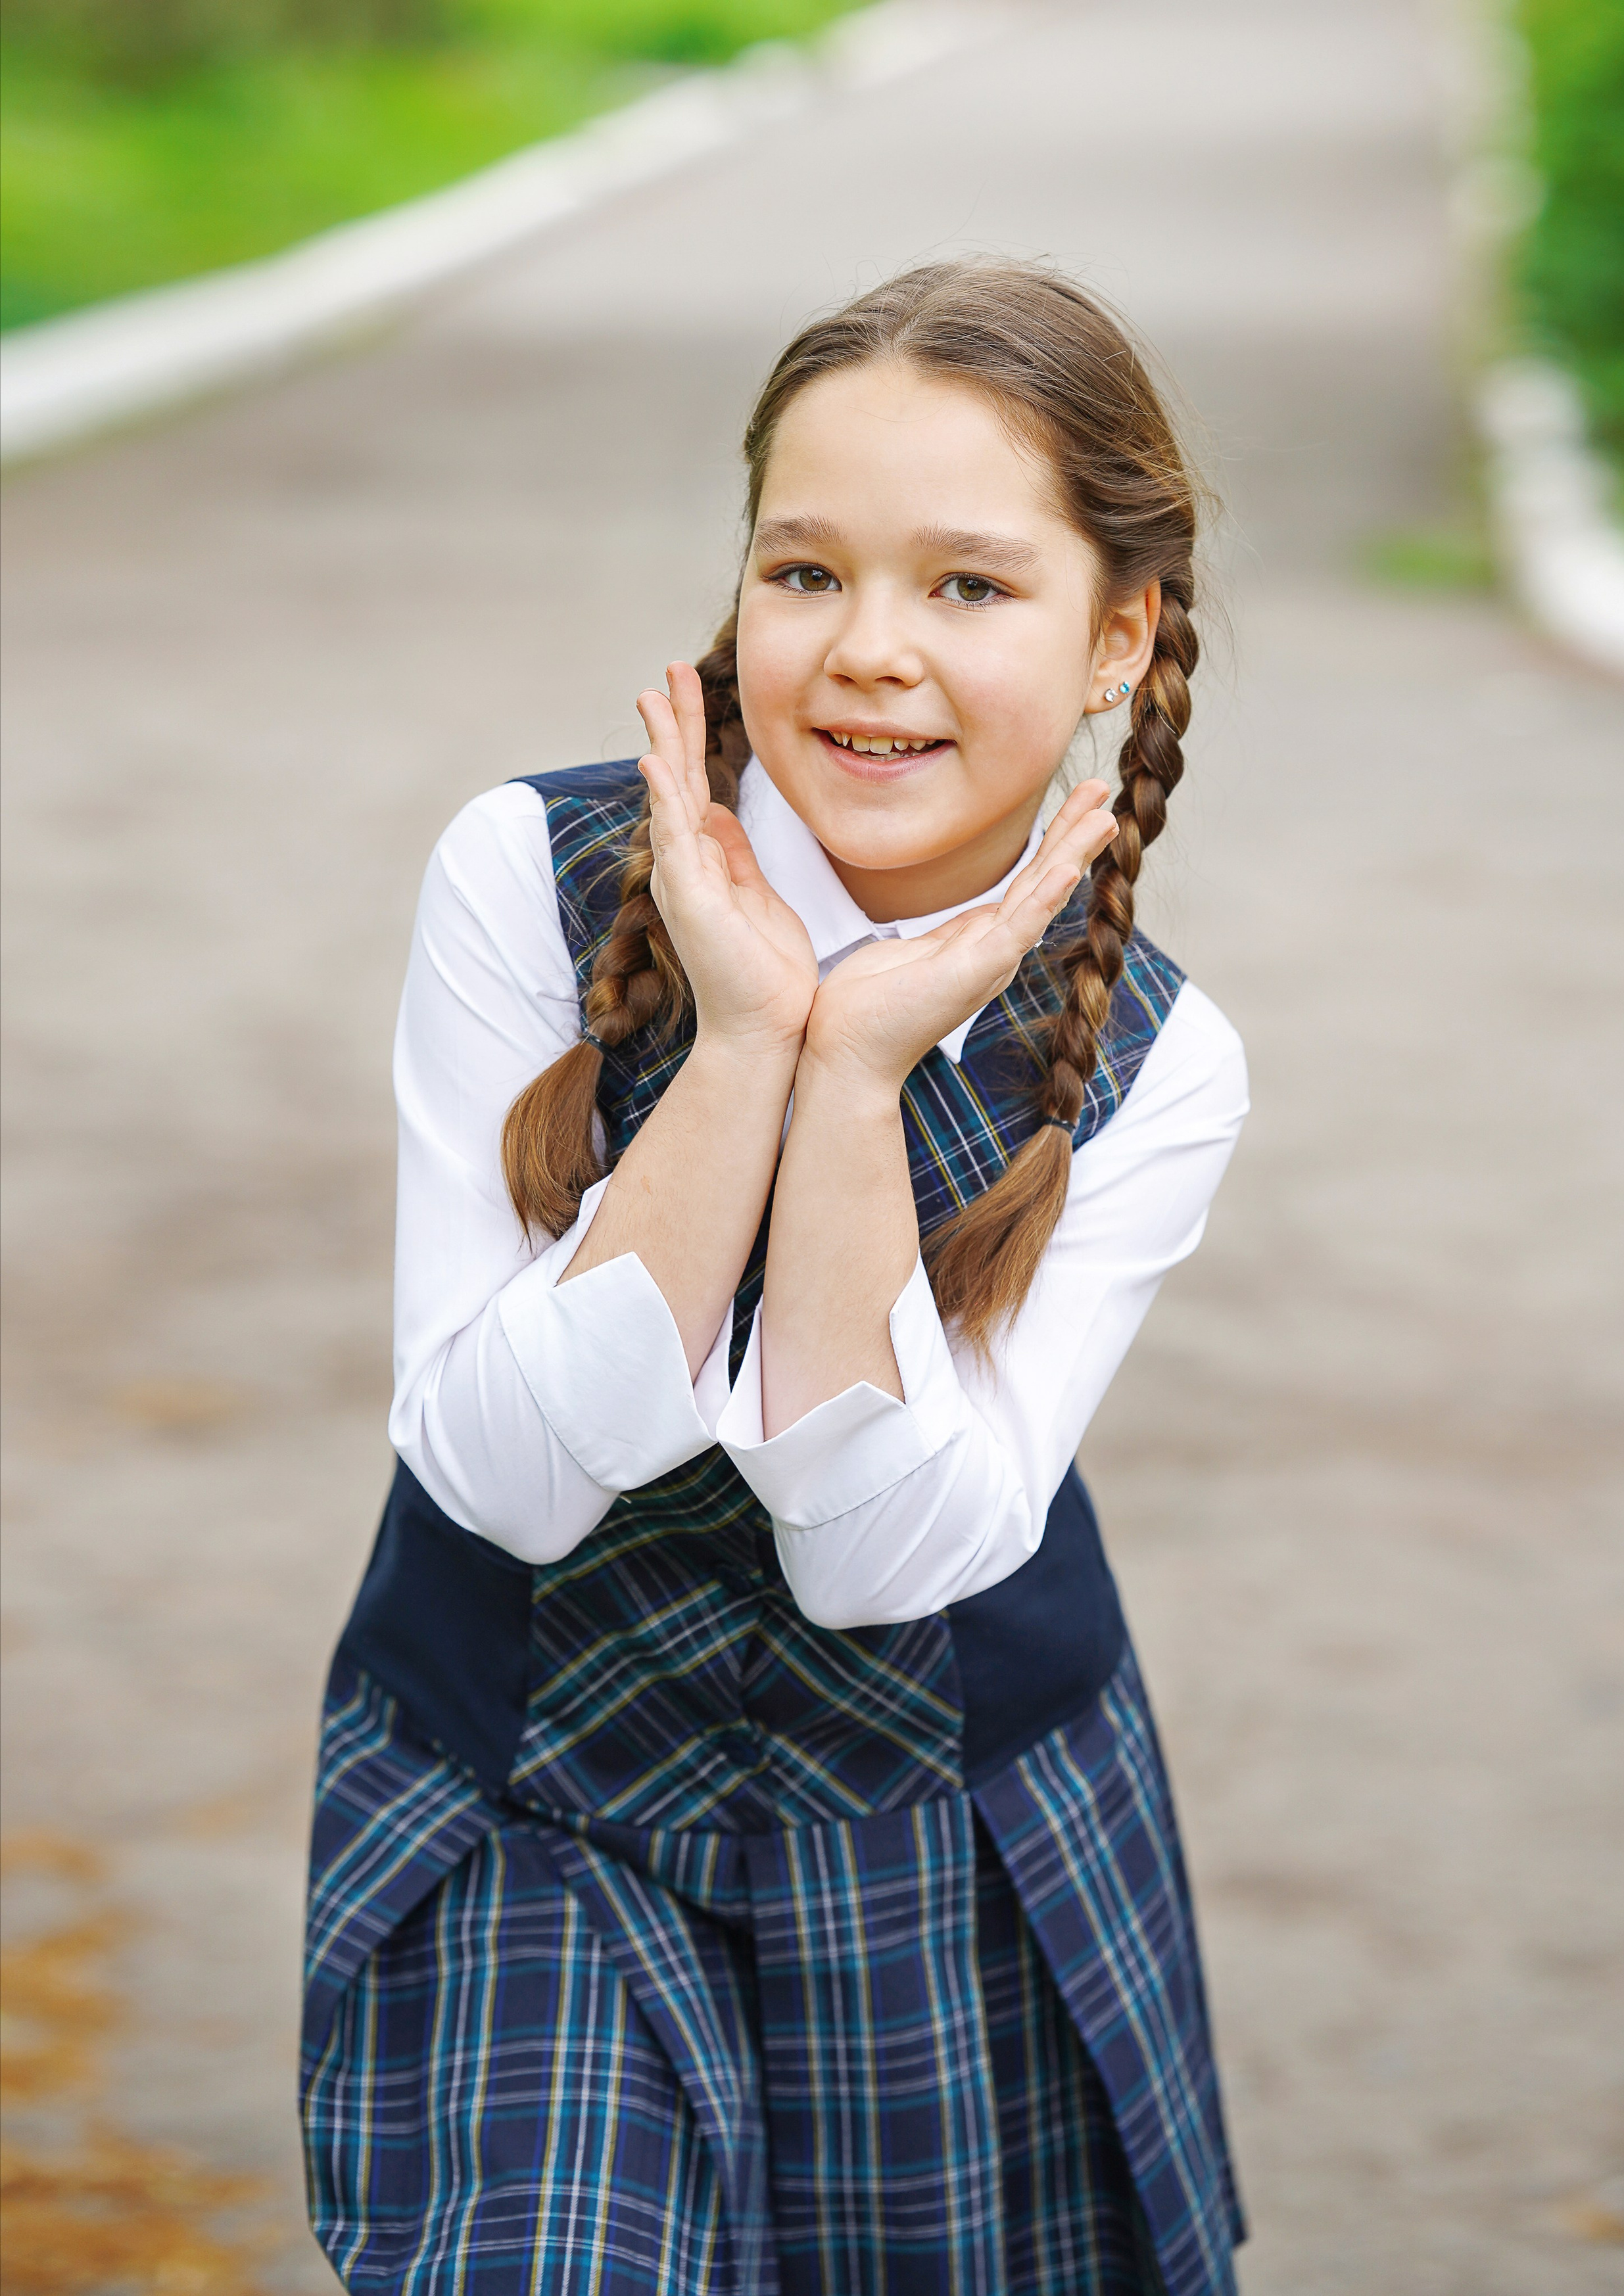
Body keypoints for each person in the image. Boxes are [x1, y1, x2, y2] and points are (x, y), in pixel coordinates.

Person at [301, 261, 1249, 2296]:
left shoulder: (1165, 1062)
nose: (868, 654)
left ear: (1118, 635)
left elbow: (877, 1559)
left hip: (944, 1831)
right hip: (531, 1805)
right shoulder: (529, 879)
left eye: (971, 588)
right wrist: (740, 1048)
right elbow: (507, 1473)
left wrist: (859, 1071)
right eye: (804, 572)